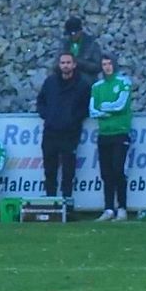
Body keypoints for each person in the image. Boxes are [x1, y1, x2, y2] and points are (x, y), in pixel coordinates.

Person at [37, 52, 90, 207]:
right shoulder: (50, 82)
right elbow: (41, 101)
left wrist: (73, 120)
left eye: (68, 62)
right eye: (62, 62)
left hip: (70, 133)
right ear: (59, 65)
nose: (65, 65)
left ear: (74, 64)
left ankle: (67, 205)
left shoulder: (82, 84)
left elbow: (85, 107)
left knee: (68, 171)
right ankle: (50, 202)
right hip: (51, 132)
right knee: (49, 170)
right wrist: (48, 115)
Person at [89, 53, 133, 221]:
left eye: (109, 64)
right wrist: (106, 109)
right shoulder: (97, 86)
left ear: (114, 65)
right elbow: (93, 110)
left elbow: (120, 105)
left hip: (120, 132)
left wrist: (105, 108)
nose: (107, 67)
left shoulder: (123, 82)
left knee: (118, 170)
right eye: (104, 64)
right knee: (106, 173)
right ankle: (108, 208)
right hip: (104, 133)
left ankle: (122, 208)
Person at [59, 16, 101, 86]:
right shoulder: (64, 44)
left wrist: (77, 62)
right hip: (67, 80)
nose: (72, 36)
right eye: (69, 34)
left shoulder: (92, 44)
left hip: (86, 81)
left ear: (80, 31)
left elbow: (98, 67)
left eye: (74, 33)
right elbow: (57, 61)